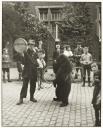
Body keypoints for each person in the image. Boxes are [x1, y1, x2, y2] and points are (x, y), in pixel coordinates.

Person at [17, 39, 39, 105]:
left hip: (34, 71)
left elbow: (35, 61)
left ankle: (32, 97)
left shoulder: (35, 52)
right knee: (24, 85)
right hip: (27, 70)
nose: (31, 46)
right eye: (29, 44)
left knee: (33, 85)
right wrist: (22, 55)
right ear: (28, 45)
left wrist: (38, 64)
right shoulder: (25, 52)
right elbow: (23, 62)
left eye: (32, 44)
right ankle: (21, 98)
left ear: (34, 45)